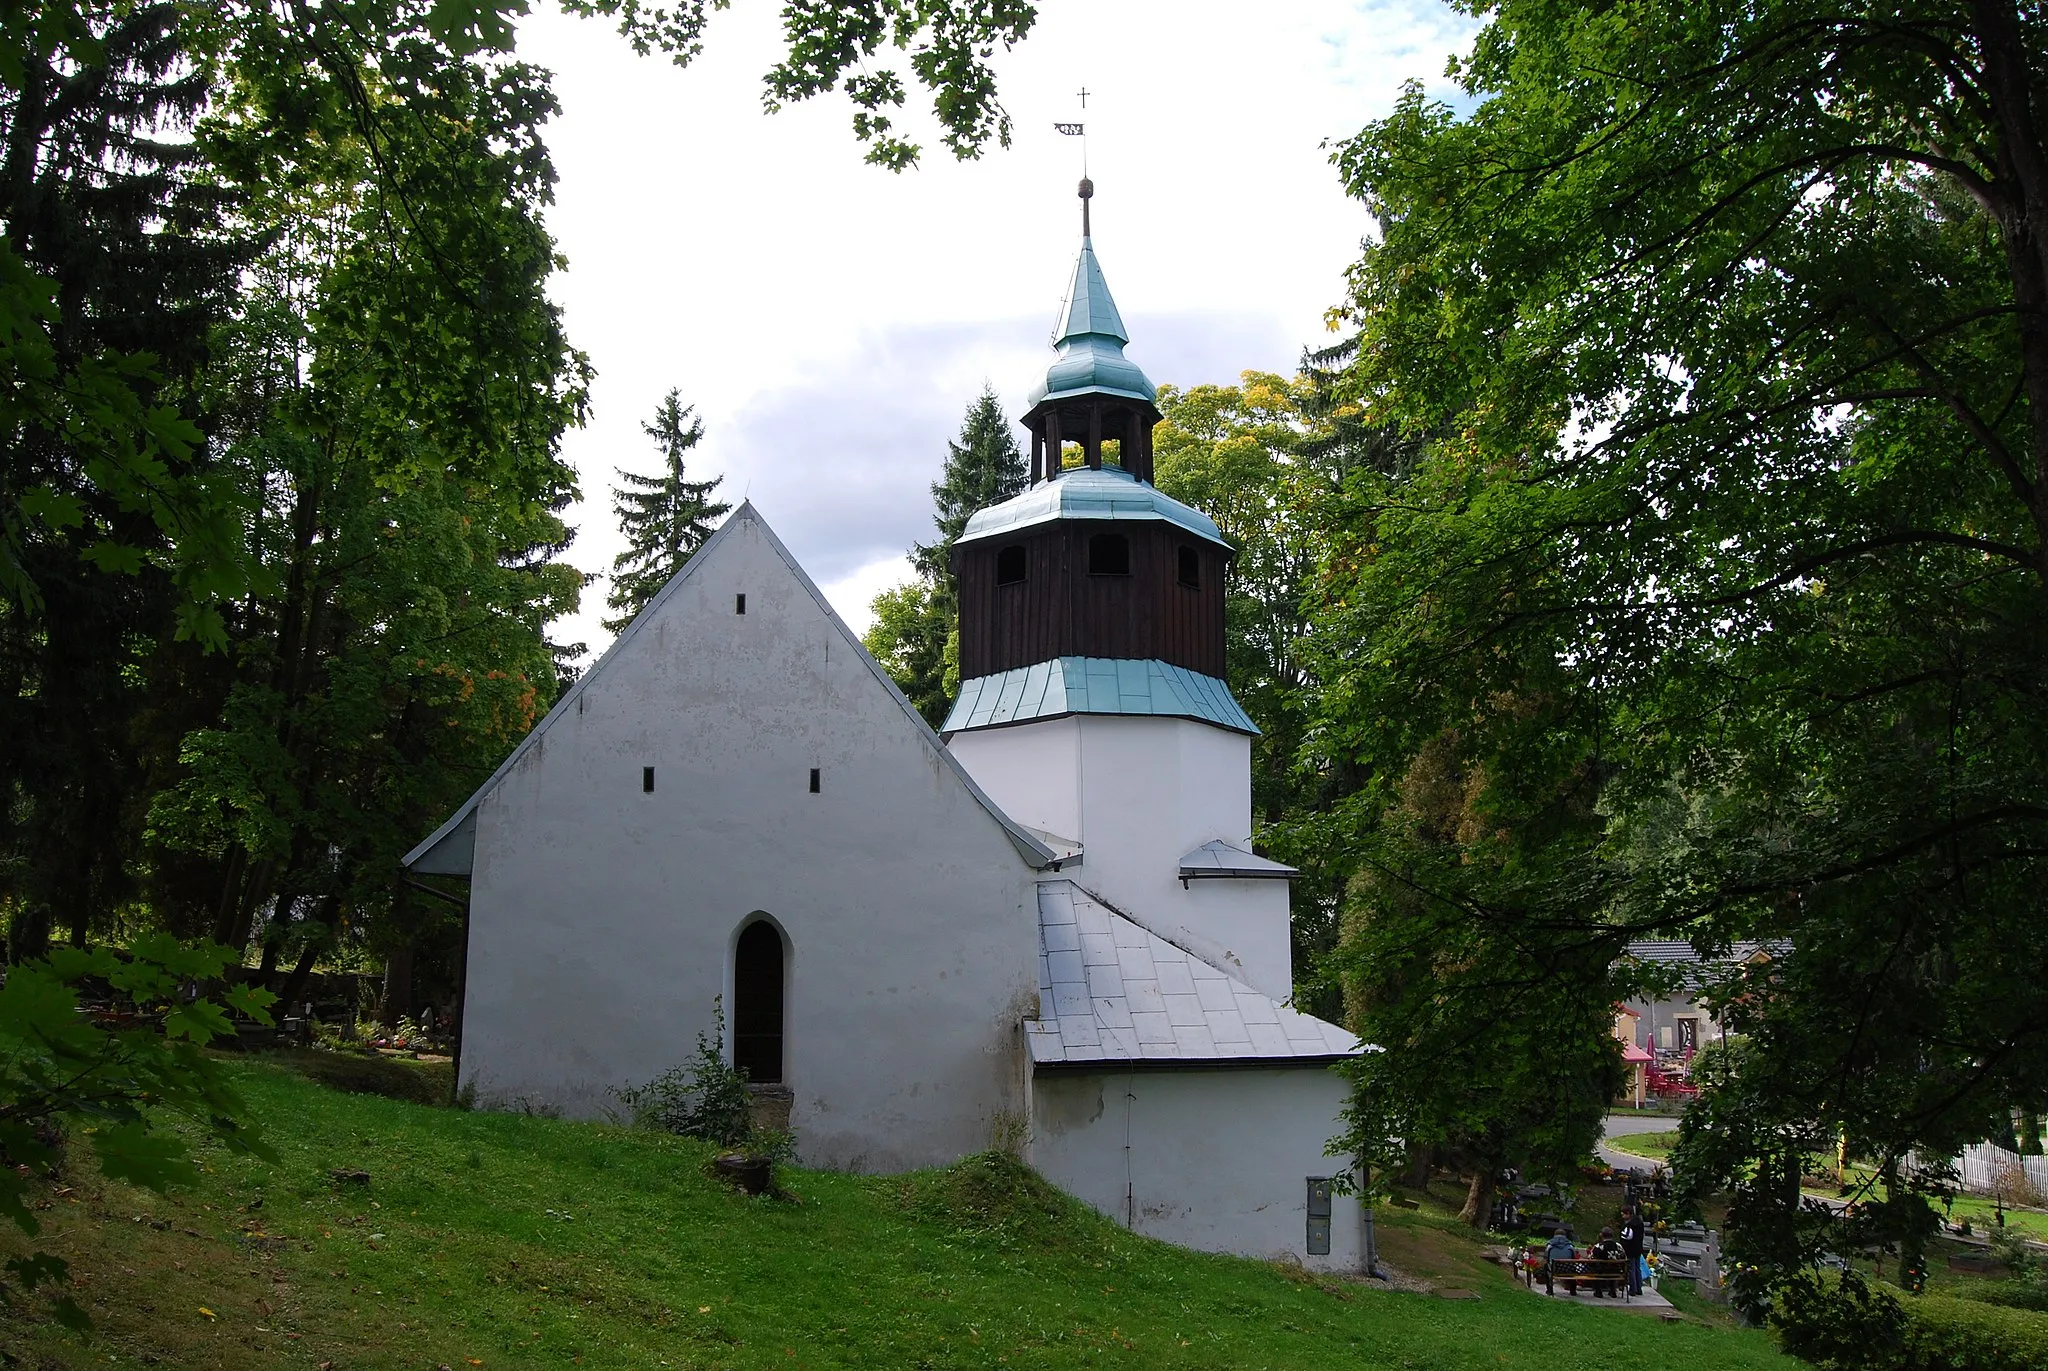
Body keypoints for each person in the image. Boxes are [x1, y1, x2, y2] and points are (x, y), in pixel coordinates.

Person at [1590, 1227, 1627, 1298]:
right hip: (1616, 1271)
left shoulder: (1599, 1246)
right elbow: (1624, 1257)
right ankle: (1612, 1290)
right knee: (1613, 1268)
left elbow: (1591, 1258)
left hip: (1601, 1271)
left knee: (1594, 1268)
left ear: (1602, 1235)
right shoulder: (1618, 1246)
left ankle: (1598, 1291)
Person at [1618, 1205, 1646, 1296]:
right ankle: (1639, 1287)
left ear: (1628, 1214)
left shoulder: (1630, 1225)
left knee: (1631, 1269)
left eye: (1623, 1215)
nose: (1622, 1217)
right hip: (1638, 1248)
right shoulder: (1639, 1223)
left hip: (1630, 1249)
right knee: (1637, 1268)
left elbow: (1628, 1236)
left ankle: (1632, 1288)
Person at [1542, 1228, 1577, 1293]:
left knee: (1545, 1267)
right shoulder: (1570, 1246)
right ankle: (1573, 1290)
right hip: (1567, 1269)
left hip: (1554, 1269)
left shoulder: (1550, 1245)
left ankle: (1549, 1290)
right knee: (1573, 1269)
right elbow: (1574, 1257)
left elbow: (1546, 1257)